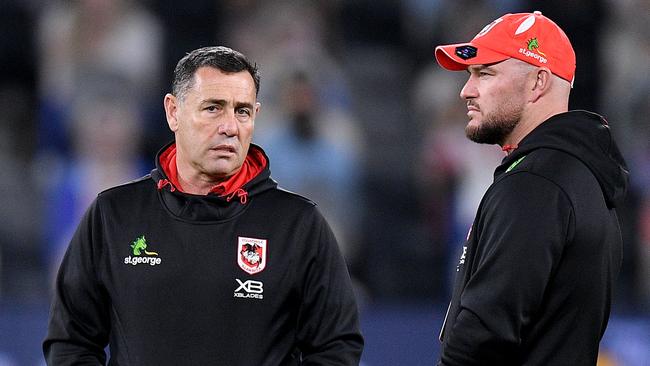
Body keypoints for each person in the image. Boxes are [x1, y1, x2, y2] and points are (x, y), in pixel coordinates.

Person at [43, 46, 364, 365]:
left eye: (242, 111)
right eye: (213, 108)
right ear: (173, 112)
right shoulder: (114, 214)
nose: (230, 126)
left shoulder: (297, 224)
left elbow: (335, 346)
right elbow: (71, 341)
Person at [433, 11, 629, 365]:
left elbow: (482, 336)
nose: (466, 90)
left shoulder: (534, 184)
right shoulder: (584, 176)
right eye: (469, 75)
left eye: (485, 73)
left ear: (538, 82)